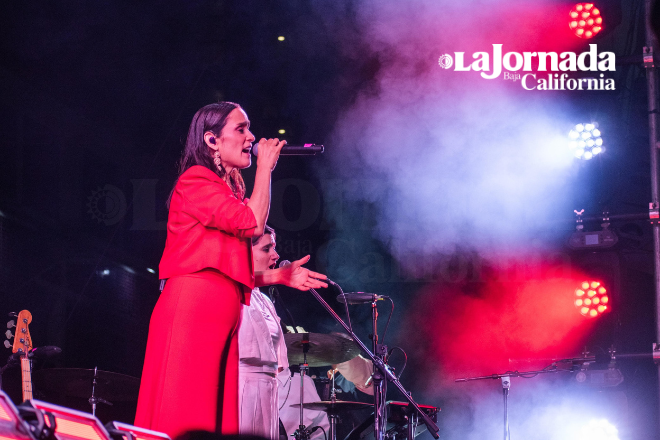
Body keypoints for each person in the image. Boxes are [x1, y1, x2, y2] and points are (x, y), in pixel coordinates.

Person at [135, 102, 327, 438]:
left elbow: (225, 268)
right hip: (193, 309)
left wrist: (276, 276)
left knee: (212, 420)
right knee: (185, 413)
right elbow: (252, 224)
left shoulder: (226, 192)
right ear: (211, 141)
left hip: (220, 314)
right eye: (241, 129)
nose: (251, 137)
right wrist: (265, 169)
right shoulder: (195, 180)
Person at [238, 226, 329, 440]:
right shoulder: (231, 292)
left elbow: (280, 365)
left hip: (268, 395)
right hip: (241, 393)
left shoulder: (265, 300)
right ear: (243, 251)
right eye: (266, 248)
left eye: (275, 248)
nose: (276, 256)